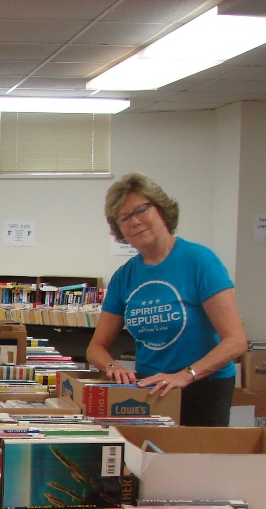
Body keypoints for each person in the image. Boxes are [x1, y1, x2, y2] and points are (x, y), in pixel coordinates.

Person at [86, 172, 248, 427]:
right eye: (124, 218)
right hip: (151, 387)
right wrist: (111, 367)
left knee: (196, 453)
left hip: (203, 385)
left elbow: (236, 341)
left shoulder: (200, 261)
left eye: (141, 210)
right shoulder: (124, 277)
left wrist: (187, 375)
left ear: (161, 210)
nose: (135, 221)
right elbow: (96, 347)